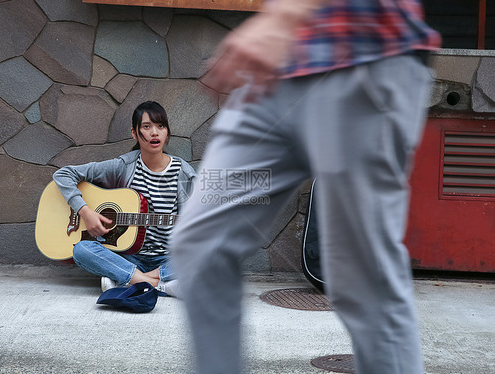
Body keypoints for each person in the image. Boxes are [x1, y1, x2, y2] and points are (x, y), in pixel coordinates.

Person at [170, 0, 440, 373]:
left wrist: (284, 15)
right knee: (202, 241)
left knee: (358, 273)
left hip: (364, 57)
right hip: (272, 80)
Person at [53, 101, 196, 297]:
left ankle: (129, 279)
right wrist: (85, 212)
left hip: (168, 259)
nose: (155, 133)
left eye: (161, 126)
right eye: (147, 126)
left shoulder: (183, 173)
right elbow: (63, 175)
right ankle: (159, 285)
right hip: (128, 257)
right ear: (134, 133)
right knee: (81, 250)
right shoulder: (123, 166)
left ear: (167, 132)